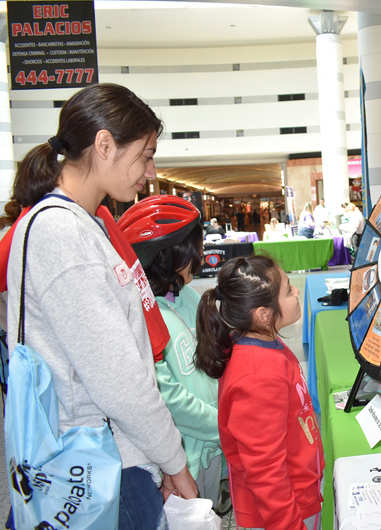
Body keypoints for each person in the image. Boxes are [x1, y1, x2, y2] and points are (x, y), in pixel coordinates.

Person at [0, 83, 198, 529]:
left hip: (105, 460)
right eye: (145, 154)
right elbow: (118, 380)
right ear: (104, 144)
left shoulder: (83, 224)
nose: (149, 170)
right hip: (98, 473)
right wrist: (174, 462)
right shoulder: (61, 233)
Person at [194, 255, 324, 529]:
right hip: (282, 514)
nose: (296, 291)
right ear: (264, 314)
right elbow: (266, 472)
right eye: (289, 290)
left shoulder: (266, 346)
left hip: (298, 495)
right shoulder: (257, 376)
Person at [119, 195, 228, 512]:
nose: (202, 255)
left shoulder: (188, 296)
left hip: (211, 447)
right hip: (180, 458)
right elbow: (166, 397)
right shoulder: (141, 314)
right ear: (166, 255)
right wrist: (222, 423)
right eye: (195, 248)